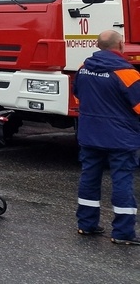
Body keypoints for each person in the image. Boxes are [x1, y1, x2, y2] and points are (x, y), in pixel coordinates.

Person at [72, 30, 140, 245]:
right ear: (120, 45)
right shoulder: (127, 73)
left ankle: (86, 225)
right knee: (122, 180)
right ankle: (122, 233)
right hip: (120, 138)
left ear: (98, 45)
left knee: (89, 177)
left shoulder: (84, 69)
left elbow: (77, 95)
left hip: (90, 133)